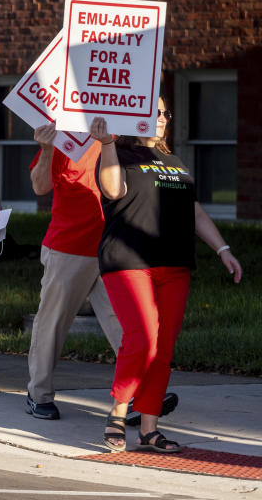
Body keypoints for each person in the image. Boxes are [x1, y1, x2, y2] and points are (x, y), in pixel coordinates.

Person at [92, 99, 242, 453]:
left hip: (174, 265)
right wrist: (108, 144)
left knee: (163, 348)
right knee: (143, 336)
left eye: (164, 113)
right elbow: (112, 191)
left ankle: (149, 428)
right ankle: (117, 412)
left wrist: (223, 250)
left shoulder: (173, 162)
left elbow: (194, 211)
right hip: (128, 260)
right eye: (153, 112)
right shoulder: (119, 155)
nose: (161, 119)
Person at [24, 125, 123, 419]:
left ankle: (136, 396)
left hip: (114, 248)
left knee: (125, 326)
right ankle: (38, 394)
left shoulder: (120, 138)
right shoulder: (63, 136)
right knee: (52, 323)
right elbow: (40, 186)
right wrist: (45, 149)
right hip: (69, 247)